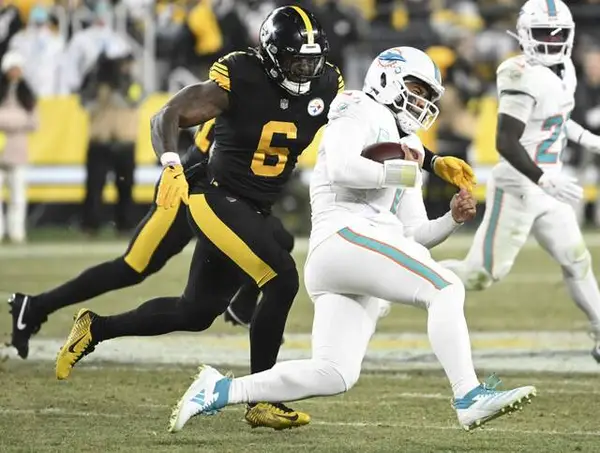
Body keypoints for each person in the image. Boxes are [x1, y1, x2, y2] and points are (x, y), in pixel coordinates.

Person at [167, 46, 536, 434]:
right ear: (386, 78)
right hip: (344, 235)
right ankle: (469, 396)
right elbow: (343, 168)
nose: (422, 101)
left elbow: (413, 236)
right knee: (445, 288)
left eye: (428, 95)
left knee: (335, 373)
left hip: (353, 252)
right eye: (416, 88)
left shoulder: (407, 143)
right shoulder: (359, 106)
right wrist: (407, 172)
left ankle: (219, 390)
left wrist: (452, 219)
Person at [440, 0, 600, 362]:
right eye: (544, 33)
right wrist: (544, 179)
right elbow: (506, 140)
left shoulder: (564, 70)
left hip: (547, 184)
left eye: (559, 34)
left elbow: (556, 120)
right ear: (525, 34)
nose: (552, 41)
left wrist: (589, 139)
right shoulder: (520, 72)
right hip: (519, 185)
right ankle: (399, 279)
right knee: (479, 275)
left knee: (576, 259)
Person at [0, 50, 37, 244]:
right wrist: (18, 120)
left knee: (18, 196)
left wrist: (8, 121)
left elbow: (34, 122)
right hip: (1, 151)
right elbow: (24, 119)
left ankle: (17, 232)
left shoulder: (27, 94)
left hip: (18, 151)